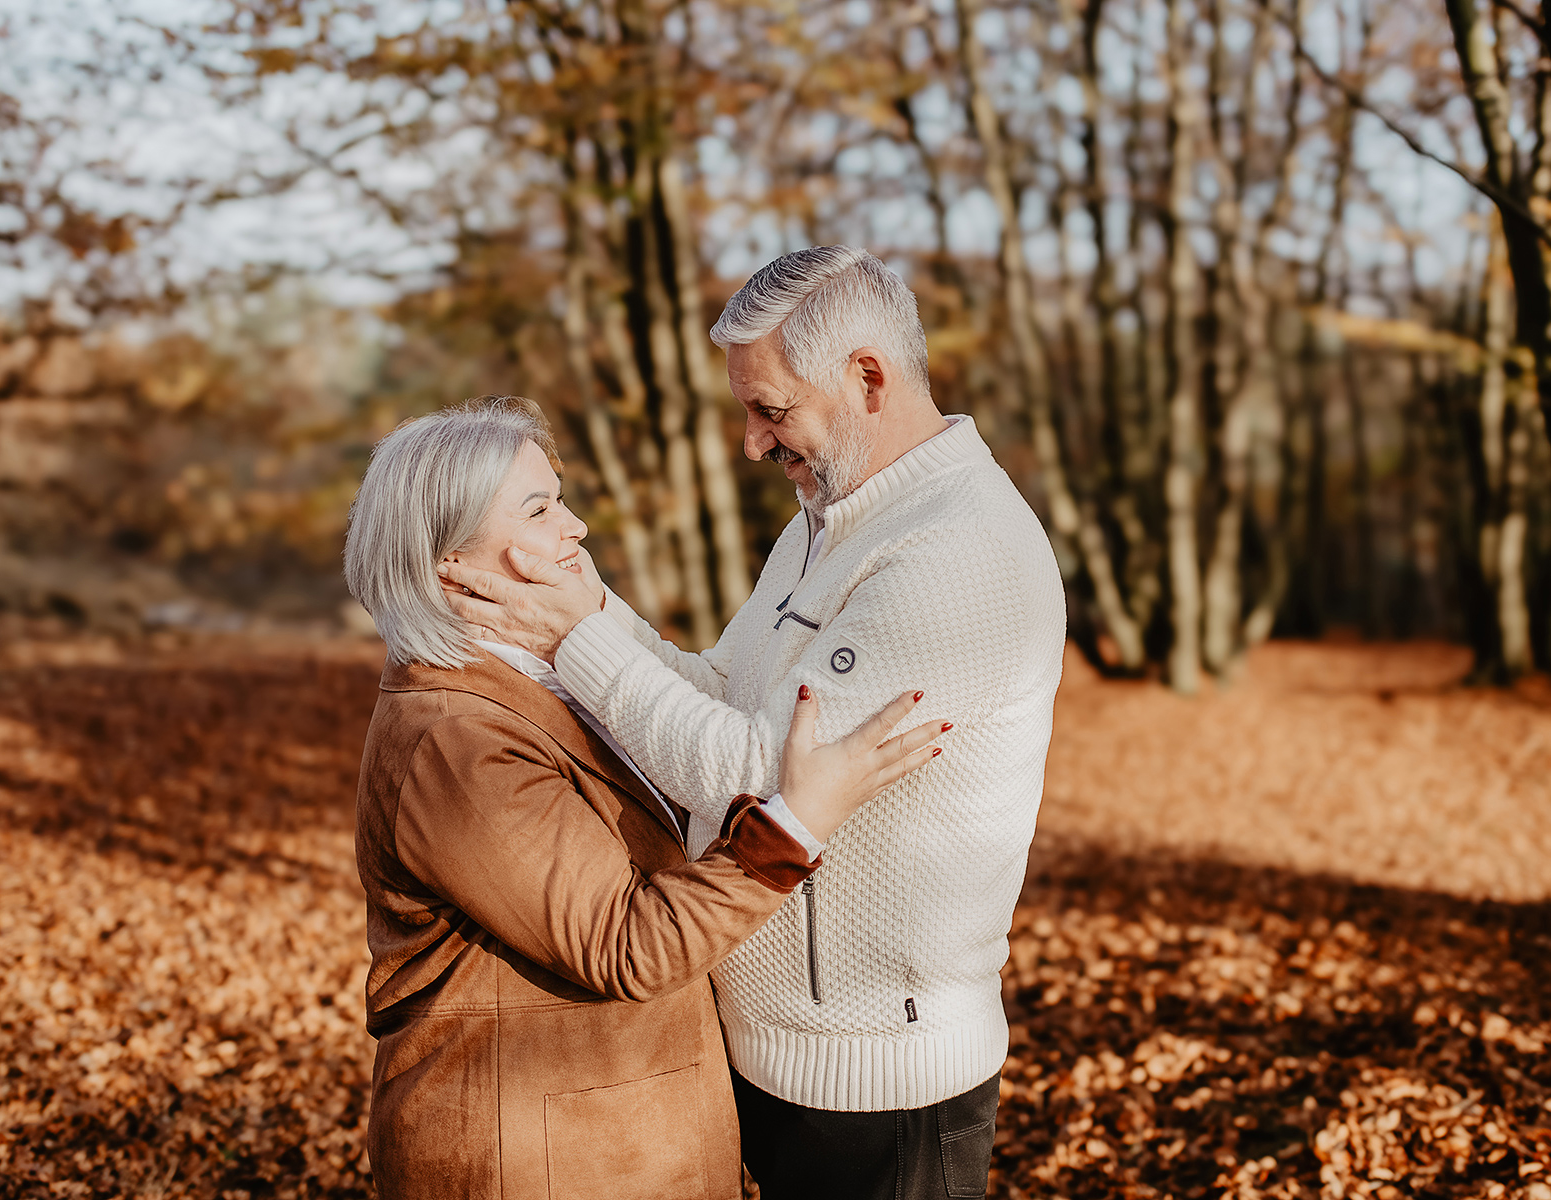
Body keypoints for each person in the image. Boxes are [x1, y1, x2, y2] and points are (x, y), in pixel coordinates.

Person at [440, 246, 1067, 1200]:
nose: (751, 442)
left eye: (770, 410)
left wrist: (573, 637)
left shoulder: (954, 551)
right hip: (770, 1059)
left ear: (867, 377)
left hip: (880, 1091)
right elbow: (720, 690)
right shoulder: (831, 518)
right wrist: (588, 604)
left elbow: (750, 775)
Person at [343, 396, 945, 1200]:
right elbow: (631, 945)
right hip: (533, 1159)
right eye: (540, 508)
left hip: (614, 1139)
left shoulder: (531, 679)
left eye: (558, 496)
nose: (576, 525)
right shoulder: (455, 737)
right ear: (450, 559)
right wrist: (795, 825)